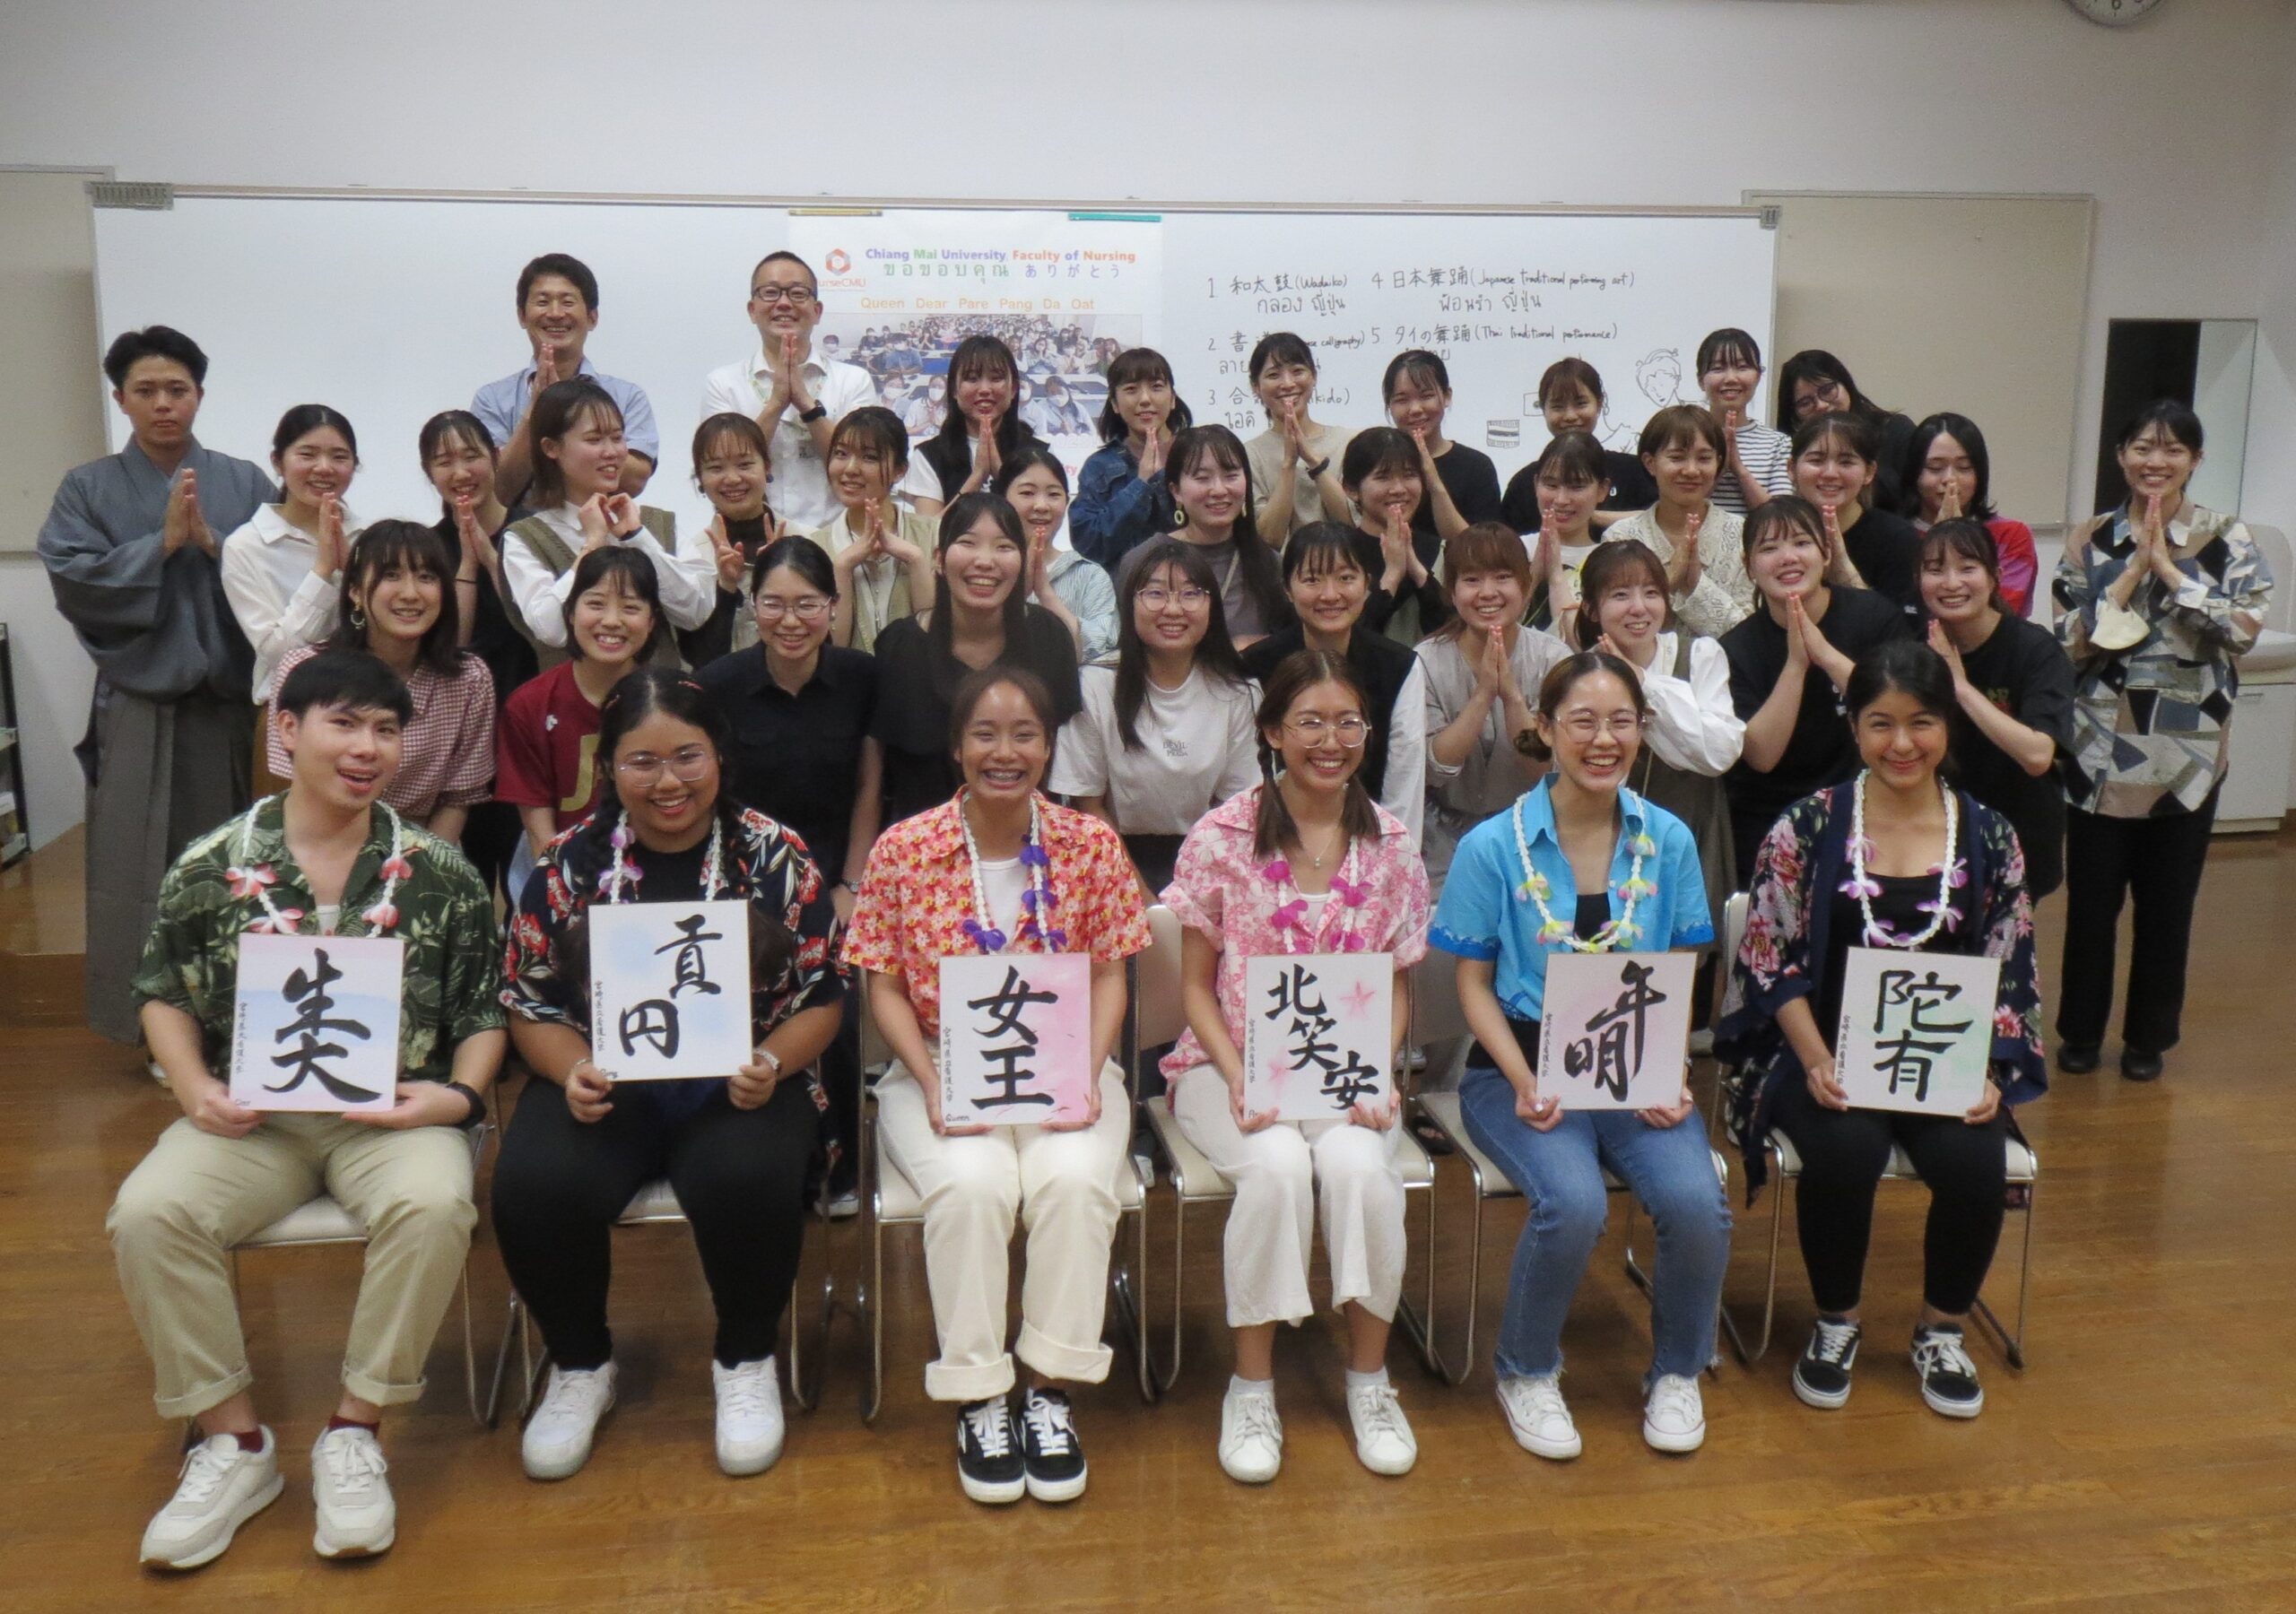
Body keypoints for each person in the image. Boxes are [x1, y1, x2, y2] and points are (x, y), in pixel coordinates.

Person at [110, 649, 504, 1567]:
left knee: (435, 1204)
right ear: (287, 731)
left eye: (385, 729)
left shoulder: (437, 871)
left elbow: (484, 1009)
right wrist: (194, 1086)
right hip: (255, 1119)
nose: (366, 747)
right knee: (149, 1211)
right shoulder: (215, 864)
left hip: (392, 1118)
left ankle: (354, 1430)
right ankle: (233, 1442)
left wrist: (458, 1094)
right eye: (343, 723)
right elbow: (161, 991)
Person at [495, 668, 843, 1480]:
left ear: (719, 754)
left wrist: (770, 1060)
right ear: (608, 769)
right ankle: (581, 1366)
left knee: (749, 1173)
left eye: (686, 757)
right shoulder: (568, 866)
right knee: (533, 1182)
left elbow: (824, 994)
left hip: (743, 1084)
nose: (667, 782)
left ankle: (745, 1358)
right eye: (640, 762)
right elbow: (526, 999)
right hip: (605, 1087)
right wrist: (573, 1067)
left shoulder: (773, 854)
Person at [841, 667, 1152, 1505]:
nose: (1005, 752)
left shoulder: (1089, 846)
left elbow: (1114, 975)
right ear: (956, 748)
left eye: (1025, 735)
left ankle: (1049, 1392)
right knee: (975, 1186)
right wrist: (933, 1083)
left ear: (1050, 748)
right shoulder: (905, 850)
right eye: (985, 734)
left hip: (1068, 1064)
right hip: (937, 1064)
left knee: (1076, 1178)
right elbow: (884, 989)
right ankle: (980, 1394)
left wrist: (1085, 1076)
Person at [1718, 641, 2047, 1419]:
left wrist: (1990, 1071)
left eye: (1922, 723)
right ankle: (1836, 1323)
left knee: (1975, 1160)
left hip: (1944, 1055)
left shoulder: (1990, 835)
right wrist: (1817, 1057)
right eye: (1881, 724)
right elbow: (1768, 955)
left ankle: (1942, 1329)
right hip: (1821, 1050)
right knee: (1845, 1146)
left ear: (1947, 727)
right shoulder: (1809, 825)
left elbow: (2011, 961)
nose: (1902, 744)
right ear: (1855, 728)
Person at [1430, 652, 1729, 1459]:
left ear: (1643, 732)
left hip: (1635, 1066)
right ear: (1547, 730)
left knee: (1697, 1201)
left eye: (1622, 722)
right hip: (1516, 1071)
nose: (1604, 739)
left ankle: (1675, 1371)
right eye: (1583, 721)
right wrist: (1526, 1080)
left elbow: (1686, 962)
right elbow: (1473, 986)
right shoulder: (1497, 847)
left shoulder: (1665, 839)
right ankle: (1526, 1369)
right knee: (1576, 1204)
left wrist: (1668, 1069)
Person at [1161, 650, 1431, 1483]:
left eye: (1348, 722)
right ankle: (1250, 1389)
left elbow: (1396, 987)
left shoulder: (1389, 843)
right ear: (1273, 731)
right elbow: (1195, 987)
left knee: (1359, 1170)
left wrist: (1377, 1072)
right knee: (1277, 1167)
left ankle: (1369, 1379)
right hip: (1225, 1065)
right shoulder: (1222, 837)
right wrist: (1240, 1074)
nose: (1331, 740)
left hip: (1343, 1071)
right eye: (1309, 722)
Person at [38, 325, 276, 1043]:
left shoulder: (244, 482)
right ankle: (150, 1029)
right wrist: (161, 544)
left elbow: (290, 579)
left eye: (178, 389)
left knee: (244, 871)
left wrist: (215, 544)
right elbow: (72, 575)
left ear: (200, 395)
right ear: (121, 399)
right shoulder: (88, 487)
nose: (164, 404)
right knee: (135, 876)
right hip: (141, 707)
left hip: (233, 707)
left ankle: (244, 1026)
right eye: (146, 391)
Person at [2052, 401, 2272, 1082]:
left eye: (2173, 449)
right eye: (2143, 446)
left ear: (2196, 460)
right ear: (2120, 455)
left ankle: (2148, 1039)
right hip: (2097, 752)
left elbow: (2242, 630)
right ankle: (2081, 1034)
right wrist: (2128, 571)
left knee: (2168, 908)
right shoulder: (2090, 537)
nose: (2156, 460)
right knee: (2091, 909)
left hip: (2189, 757)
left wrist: (2171, 573)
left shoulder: (2227, 537)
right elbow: (2065, 642)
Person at [696, 536, 883, 1205]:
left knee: (834, 1010)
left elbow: (870, 785)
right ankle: (767, 1174)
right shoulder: (718, 684)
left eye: (808, 604)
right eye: (773, 603)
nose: (791, 619)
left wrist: (851, 887)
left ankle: (840, 1175)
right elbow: (707, 794)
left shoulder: (862, 677)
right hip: (746, 883)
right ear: (753, 607)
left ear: (833, 608)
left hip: (835, 876)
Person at [1721, 498, 1914, 883]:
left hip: (1869, 809)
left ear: (1826, 552)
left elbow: (1901, 715)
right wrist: (1796, 664)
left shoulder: (1875, 617)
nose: (1787, 558)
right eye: (1769, 548)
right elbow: (1761, 756)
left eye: (1801, 543)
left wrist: (1825, 655)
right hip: (1771, 821)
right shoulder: (1734, 649)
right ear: (1748, 567)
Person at [265, 522, 496, 845]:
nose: (410, 593)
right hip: (317, 840)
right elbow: (285, 786)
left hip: (420, 846)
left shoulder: (469, 678)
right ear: (355, 591)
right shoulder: (303, 669)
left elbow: (458, 797)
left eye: (427, 577)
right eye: (391, 575)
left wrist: (420, 874)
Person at [1049, 539, 1259, 890]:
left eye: (1190, 594)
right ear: (1129, 603)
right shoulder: (1096, 685)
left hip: (1210, 860)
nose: (1173, 609)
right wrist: (1143, 900)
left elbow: (1235, 809)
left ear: (1212, 606)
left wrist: (1191, 895)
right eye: (1156, 594)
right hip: (1111, 859)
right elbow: (1088, 806)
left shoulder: (1238, 693)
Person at [871, 493, 1085, 824]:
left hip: (1032, 842)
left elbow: (1070, 770)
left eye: (1003, 547)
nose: (985, 561)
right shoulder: (899, 648)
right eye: (968, 543)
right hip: (919, 853)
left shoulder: (1050, 639)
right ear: (939, 559)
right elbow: (872, 778)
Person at [1573, 540, 1744, 928]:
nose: (1639, 607)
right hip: (1603, 843)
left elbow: (1719, 753)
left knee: (1689, 961)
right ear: (1591, 609)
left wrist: (1643, 683)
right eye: (1620, 595)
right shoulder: (1580, 673)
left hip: (1691, 831)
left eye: (1651, 593)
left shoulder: (1700, 655)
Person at [499, 379, 713, 659]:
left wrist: (637, 537)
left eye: (618, 437)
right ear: (552, 448)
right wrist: (593, 541)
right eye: (594, 440)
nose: (612, 452)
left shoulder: (656, 523)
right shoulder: (526, 538)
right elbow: (551, 630)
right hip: (573, 700)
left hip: (656, 698)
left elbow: (695, 611)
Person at [1241, 525, 1426, 847]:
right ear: (1287, 588)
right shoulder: (1255, 666)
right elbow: (1247, 774)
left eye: (1345, 578)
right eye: (1312, 579)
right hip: (1273, 839)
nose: (1330, 594)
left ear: (1368, 584)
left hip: (1371, 841)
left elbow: (1404, 784)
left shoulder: (1399, 667)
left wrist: (1392, 859)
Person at [1918, 520, 2073, 898]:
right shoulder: (1917, 649)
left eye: (1967, 568)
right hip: (1939, 841)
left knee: (2001, 957)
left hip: (2018, 840)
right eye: (1935, 570)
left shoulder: (2035, 650)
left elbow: (2037, 755)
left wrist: (1961, 687)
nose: (1951, 583)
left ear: (1995, 577)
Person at [1416, 523, 1572, 881]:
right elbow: (1434, 768)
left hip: (1533, 833)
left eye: (1502, 577)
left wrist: (1512, 698)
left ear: (1526, 586)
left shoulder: (1554, 659)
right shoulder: (1425, 661)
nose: (1488, 593)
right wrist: (1483, 695)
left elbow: (1548, 772)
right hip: (1440, 839)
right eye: (1471, 580)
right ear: (1452, 592)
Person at [497, 547, 666, 866]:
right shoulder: (529, 705)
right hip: (559, 865)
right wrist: (561, 894)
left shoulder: (673, 702)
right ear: (571, 613)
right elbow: (538, 829)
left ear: (651, 620)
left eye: (630, 607)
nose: (612, 621)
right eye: (596, 604)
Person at [699, 251, 879, 532]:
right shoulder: (723, 383)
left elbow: (863, 465)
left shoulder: (854, 380)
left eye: (797, 293)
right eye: (770, 293)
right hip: (753, 537)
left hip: (840, 536)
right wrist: (776, 403)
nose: (783, 303)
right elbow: (724, 466)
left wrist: (807, 406)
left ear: (817, 311)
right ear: (752, 309)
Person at [473, 253, 658, 501]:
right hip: (520, 533)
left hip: (606, 532)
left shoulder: (626, 396)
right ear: (522, 316)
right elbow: (497, 489)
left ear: (592, 318)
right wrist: (536, 413)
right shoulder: (492, 399)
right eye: (542, 302)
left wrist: (570, 419)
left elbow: (635, 480)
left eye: (568, 302)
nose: (556, 313)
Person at [220, 405, 361, 699]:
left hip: (368, 703)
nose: (324, 468)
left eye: (339, 457)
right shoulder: (246, 546)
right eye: (307, 455)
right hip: (289, 710)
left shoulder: (368, 537)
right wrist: (323, 571)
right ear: (277, 462)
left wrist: (357, 579)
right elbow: (279, 654)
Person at [419, 410, 537, 712]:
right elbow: (449, 646)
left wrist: (489, 557)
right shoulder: (425, 549)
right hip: (460, 710)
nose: (460, 473)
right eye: (445, 462)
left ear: (496, 457)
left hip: (533, 700)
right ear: (429, 473)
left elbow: (540, 627)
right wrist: (468, 566)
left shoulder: (538, 533)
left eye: (472, 457)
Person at [1602, 405, 1754, 638]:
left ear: (1719, 462)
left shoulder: (1744, 534)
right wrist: (1669, 582)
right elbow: (1613, 628)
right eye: (1677, 458)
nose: (1692, 470)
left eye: (1704, 458)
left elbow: (1750, 635)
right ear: (1650, 463)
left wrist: (1696, 585)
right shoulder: (1620, 538)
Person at [804, 405, 938, 653]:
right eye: (841, 454)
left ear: (900, 470)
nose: (850, 469)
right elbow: (832, 649)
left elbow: (933, 641)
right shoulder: (814, 547)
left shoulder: (935, 535)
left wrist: (916, 558)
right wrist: (842, 566)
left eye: (869, 457)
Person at [1156, 423, 1292, 648]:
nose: (1219, 490)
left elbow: (1290, 642)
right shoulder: (1149, 560)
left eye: (1231, 475)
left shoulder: (1269, 563)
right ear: (1176, 491)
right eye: (1202, 478)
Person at [1902, 413, 2040, 618]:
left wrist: (1955, 535)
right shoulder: (1895, 534)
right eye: (1935, 468)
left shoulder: (2011, 534)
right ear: (1915, 473)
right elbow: (1897, 617)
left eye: (1964, 468)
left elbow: (2003, 618)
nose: (1950, 479)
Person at [1790, 411, 1923, 617]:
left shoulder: (1899, 539)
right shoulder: (1777, 535)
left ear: (1869, 472)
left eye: (1846, 462)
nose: (1830, 473)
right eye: (1816, 460)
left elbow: (1903, 633)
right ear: (1791, 468)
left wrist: (1844, 570)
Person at [996, 447, 1119, 663]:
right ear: (1002, 500)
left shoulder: (1089, 575)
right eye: (1027, 493)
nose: (1042, 506)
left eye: (1054, 495)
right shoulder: (986, 567)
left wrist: (1045, 593)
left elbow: (1102, 645)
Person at [1070, 346, 1188, 568]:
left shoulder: (1197, 453)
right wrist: (1141, 485)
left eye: (1156, 387)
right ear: (1114, 403)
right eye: (1131, 389)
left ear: (1172, 398)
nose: (1145, 399)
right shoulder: (1100, 466)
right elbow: (1088, 544)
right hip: (1123, 594)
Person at [900, 335, 1043, 518]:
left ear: (1014, 388)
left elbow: (1036, 531)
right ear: (953, 389)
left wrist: (1001, 475)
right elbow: (928, 536)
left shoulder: (1039, 453)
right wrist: (977, 477)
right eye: (972, 378)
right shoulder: (929, 456)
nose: (984, 389)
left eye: (996, 378)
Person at [1501, 358, 1652, 529]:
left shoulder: (1634, 471)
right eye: (1558, 406)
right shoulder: (1523, 482)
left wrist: (1588, 515)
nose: (1570, 416)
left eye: (1581, 404)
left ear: (1600, 404)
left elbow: (1663, 521)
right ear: (1543, 410)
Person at [686, 412, 787, 666]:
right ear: (700, 478)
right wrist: (726, 588)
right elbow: (698, 660)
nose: (732, 479)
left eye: (744, 465)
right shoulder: (691, 555)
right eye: (715, 468)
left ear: (767, 466)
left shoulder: (806, 540)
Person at [1339, 427, 1448, 641]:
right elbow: (1351, 638)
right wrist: (1392, 575)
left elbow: (1453, 631)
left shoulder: (1443, 551)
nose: (1399, 489)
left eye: (1409, 475)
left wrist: (1417, 571)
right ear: (1351, 489)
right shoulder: (1340, 555)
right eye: (1383, 477)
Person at [1244, 333, 1355, 542]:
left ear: (1313, 376)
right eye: (1273, 375)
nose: (1287, 384)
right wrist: (1289, 463)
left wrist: (1312, 459)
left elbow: (1353, 525)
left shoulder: (1348, 442)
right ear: (1256, 387)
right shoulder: (1248, 454)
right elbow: (1268, 540)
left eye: (1297, 372)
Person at [1384, 349, 1502, 545]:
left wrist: (1433, 480)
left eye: (1426, 396)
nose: (1415, 409)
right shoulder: (1377, 463)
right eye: (1402, 400)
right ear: (1389, 404)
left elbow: (1483, 550)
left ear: (1447, 396)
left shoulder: (1476, 467)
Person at [1775, 350, 1915, 514]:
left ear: (1845, 384)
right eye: (1806, 402)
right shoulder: (1790, 451)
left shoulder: (1895, 429)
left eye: (1827, 390)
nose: (1821, 405)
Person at [1516, 430, 1612, 630]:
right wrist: (1534, 575)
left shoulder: (1611, 559)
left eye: (1576, 487)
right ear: (1535, 484)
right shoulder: (1513, 548)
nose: (1561, 499)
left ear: (1602, 490)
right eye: (1550, 485)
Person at [1694, 328, 1794, 517]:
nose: (1731, 378)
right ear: (1701, 380)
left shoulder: (1778, 444)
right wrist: (1719, 469)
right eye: (1718, 369)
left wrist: (1738, 469)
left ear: (1758, 376)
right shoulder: (1684, 436)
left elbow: (1782, 518)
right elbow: (1676, 509)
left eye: (1742, 367)